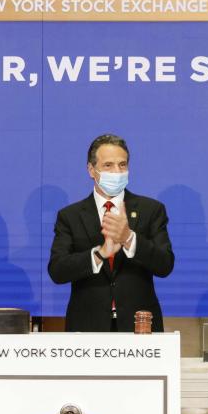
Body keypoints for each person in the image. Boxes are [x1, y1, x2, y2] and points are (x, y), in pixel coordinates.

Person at [48, 134, 174, 332]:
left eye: (122, 165)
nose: (117, 172)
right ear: (92, 170)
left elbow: (165, 265)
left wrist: (129, 239)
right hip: (87, 327)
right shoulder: (70, 216)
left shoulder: (151, 210)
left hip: (139, 327)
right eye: (108, 165)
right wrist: (99, 254)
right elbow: (57, 271)